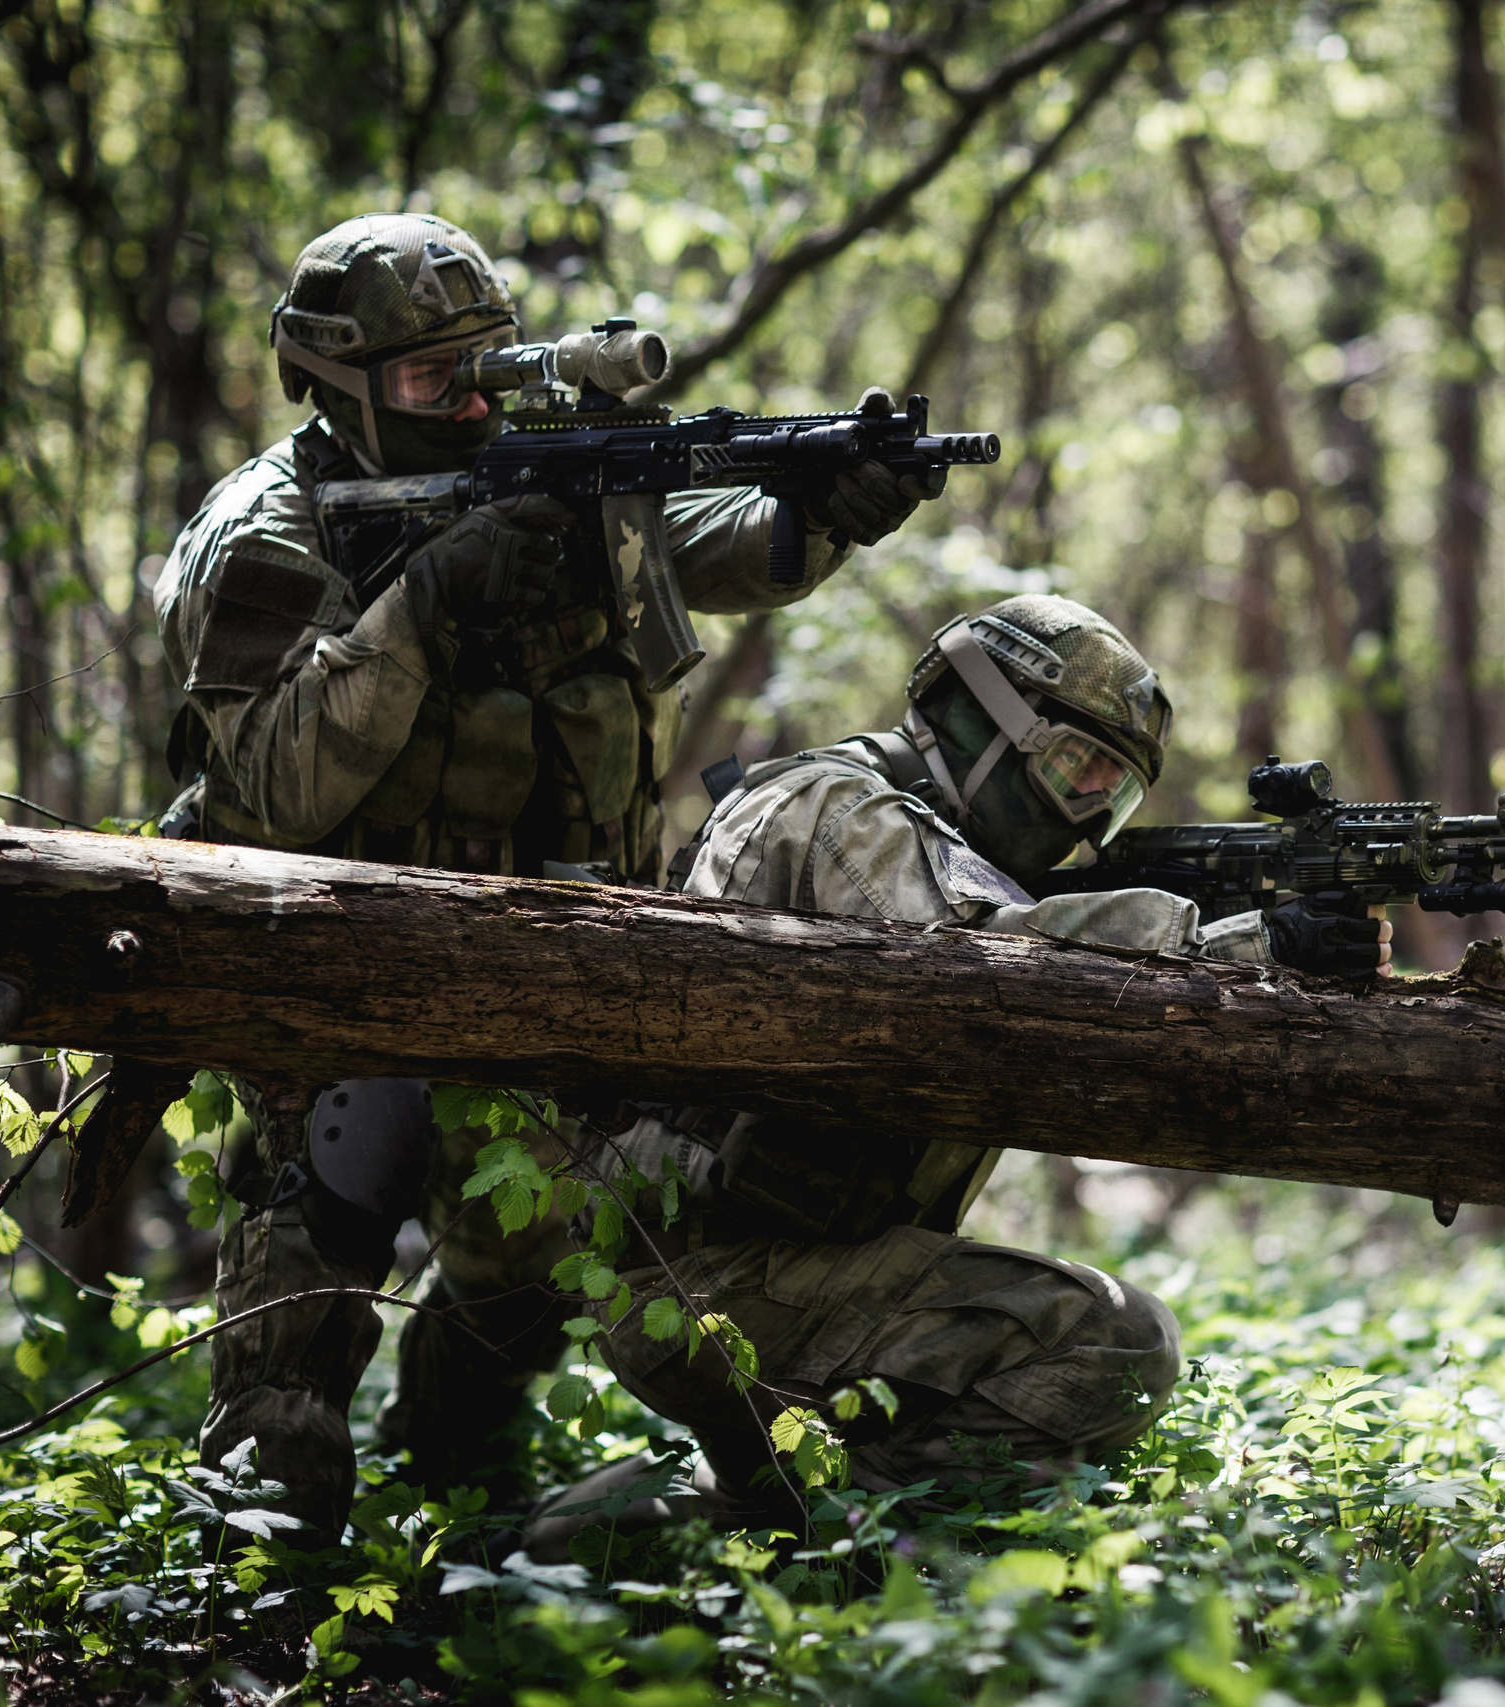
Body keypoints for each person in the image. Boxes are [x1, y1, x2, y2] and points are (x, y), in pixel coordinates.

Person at [154, 212, 936, 1537]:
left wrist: (821, 510)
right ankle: (257, 1581)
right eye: (431, 378)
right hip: (337, 966)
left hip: (551, 960)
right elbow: (282, 783)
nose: (473, 402)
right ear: (335, 383)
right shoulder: (266, 537)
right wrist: (426, 601)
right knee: (300, 1315)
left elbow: (714, 539)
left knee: (524, 1273)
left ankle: (457, 1499)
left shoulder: (555, 471)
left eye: (490, 364)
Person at [521, 595, 1389, 1552]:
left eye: (1113, 795)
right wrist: (1238, 943)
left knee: (761, 1483)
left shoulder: (894, 828)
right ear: (982, 719)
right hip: (718, 1278)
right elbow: (988, 969)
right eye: (1075, 767)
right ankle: (860, 1559)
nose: (1087, 814)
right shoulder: (843, 812)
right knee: (1118, 1340)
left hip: (734, 1269)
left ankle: (582, 1542)